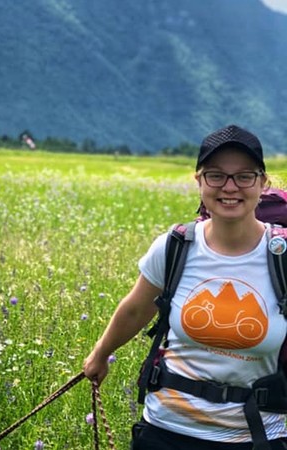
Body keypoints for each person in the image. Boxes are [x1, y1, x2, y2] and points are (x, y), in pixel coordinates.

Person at [82, 124, 287, 449]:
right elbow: (136, 309)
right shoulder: (175, 247)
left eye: (244, 176)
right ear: (199, 181)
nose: (230, 187)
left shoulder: (281, 257)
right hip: (165, 431)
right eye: (216, 175)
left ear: (263, 183)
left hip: (255, 435)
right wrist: (100, 355)